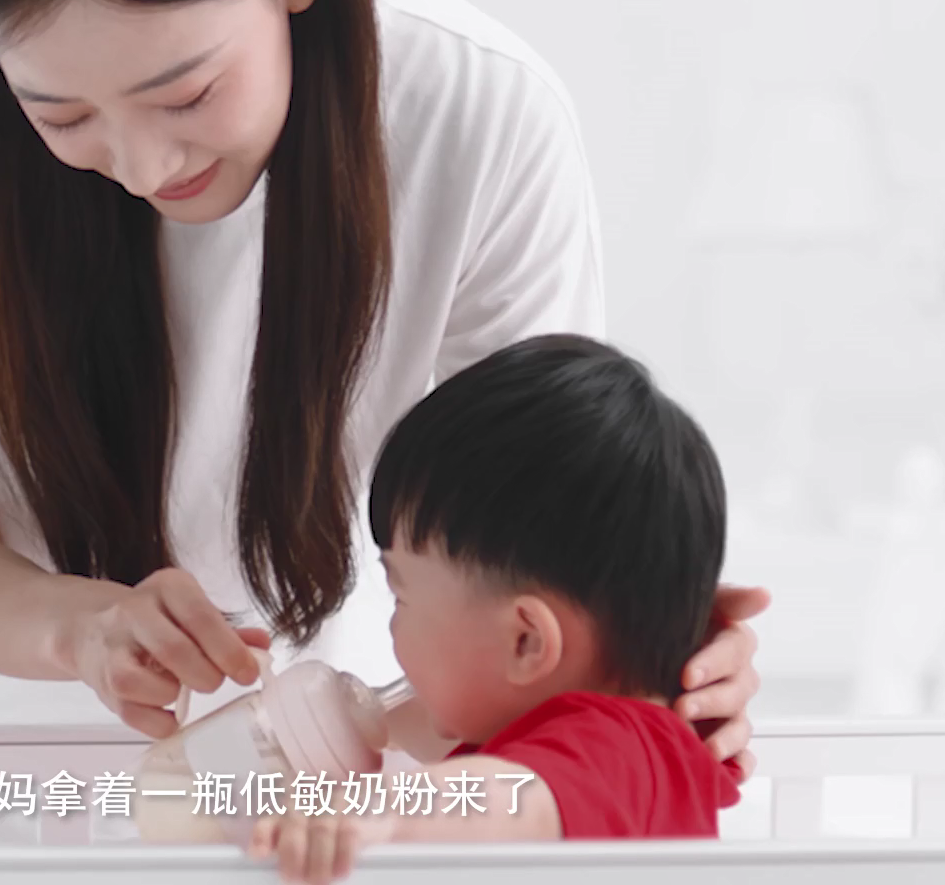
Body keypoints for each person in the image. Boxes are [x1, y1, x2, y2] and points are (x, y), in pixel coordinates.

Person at [0, 0, 768, 840]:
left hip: (286, 748)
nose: (145, 166)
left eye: (187, 93)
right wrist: (84, 628)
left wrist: (646, 654)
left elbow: (546, 516)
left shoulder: (476, 111)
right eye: (61, 116)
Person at [247, 334, 742, 882]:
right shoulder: (560, 741)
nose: (393, 627)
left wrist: (381, 809)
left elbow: (511, 797)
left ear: (526, 642)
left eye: (401, 595)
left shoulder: (623, 748)